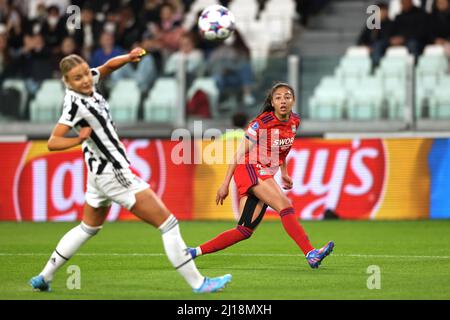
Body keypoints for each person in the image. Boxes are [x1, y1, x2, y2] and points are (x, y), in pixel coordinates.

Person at [29, 49, 232, 293]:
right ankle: (199, 283)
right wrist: (79, 139)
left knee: (88, 228)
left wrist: (127, 57)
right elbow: (53, 142)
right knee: (168, 224)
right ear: (67, 82)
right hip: (113, 173)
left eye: (85, 73)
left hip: (97, 175)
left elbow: (106, 68)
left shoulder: (90, 81)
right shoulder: (75, 105)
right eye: (77, 78)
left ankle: (44, 276)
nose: (85, 79)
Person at [187, 83, 334, 269]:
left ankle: (193, 252)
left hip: (263, 171)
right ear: (272, 102)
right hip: (249, 167)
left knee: (244, 230)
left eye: (287, 97)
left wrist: (284, 172)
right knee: (285, 205)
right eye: (278, 97)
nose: (283, 101)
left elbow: (281, 150)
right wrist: (225, 184)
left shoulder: (294, 121)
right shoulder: (261, 123)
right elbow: (238, 155)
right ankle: (310, 253)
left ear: (293, 101)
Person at [356, 2, 393, 67]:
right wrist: (367, 47)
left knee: (378, 45)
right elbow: (360, 40)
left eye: (383, 11)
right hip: (372, 50)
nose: (382, 13)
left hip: (386, 50)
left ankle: (375, 67)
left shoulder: (392, 24)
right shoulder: (371, 25)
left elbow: (392, 40)